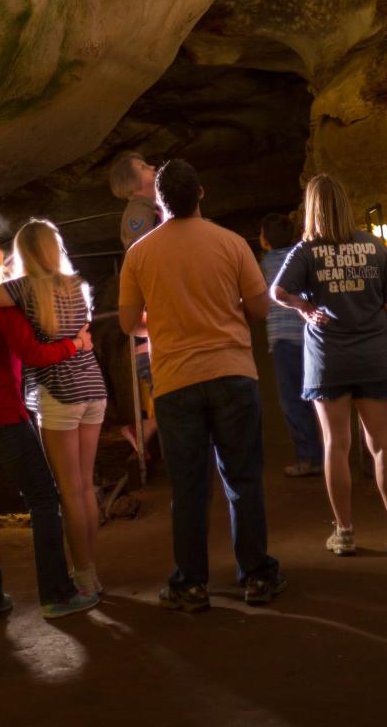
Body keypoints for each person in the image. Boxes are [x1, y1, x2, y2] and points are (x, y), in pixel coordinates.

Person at [118, 157, 284, 613]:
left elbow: (131, 323)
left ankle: (191, 583)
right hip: (232, 372)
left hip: (175, 380)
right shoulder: (231, 243)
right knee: (243, 478)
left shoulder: (140, 254)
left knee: (189, 487)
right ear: (202, 194)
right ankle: (256, 576)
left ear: (159, 202)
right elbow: (259, 308)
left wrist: (168, 319)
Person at [0, 225, 98, 621]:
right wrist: (74, 344)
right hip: (0, 414)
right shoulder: (2, 303)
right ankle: (58, 592)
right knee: (44, 497)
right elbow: (31, 352)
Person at [270, 173, 387, 556]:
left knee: (335, 445)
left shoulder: (305, 250)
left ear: (312, 209)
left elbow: (278, 291)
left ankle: (345, 533)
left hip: (328, 360)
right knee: (383, 444)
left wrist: (305, 308)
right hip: (372, 356)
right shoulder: (375, 247)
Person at [259, 213, 323, 478]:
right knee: (315, 397)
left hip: (284, 340)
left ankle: (308, 458)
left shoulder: (266, 263)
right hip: (311, 336)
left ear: (265, 240)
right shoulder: (303, 256)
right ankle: (325, 454)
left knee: (291, 401)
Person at [109, 151, 160, 458]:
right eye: (144, 167)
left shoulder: (150, 209)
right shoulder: (137, 215)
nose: (152, 167)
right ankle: (147, 428)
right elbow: (142, 258)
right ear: (133, 184)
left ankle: (151, 427)